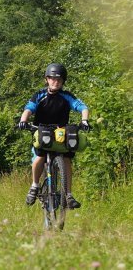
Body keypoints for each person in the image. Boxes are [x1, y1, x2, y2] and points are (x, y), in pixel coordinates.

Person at [18, 63, 90, 209]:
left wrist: (84, 120)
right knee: (40, 157)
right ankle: (34, 186)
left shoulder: (66, 96)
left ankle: (68, 195)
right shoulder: (40, 95)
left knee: (67, 160)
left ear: (63, 81)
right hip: (42, 132)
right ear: (47, 79)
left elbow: (82, 107)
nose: (55, 81)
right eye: (52, 78)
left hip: (60, 134)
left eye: (59, 79)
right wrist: (23, 121)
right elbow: (28, 109)